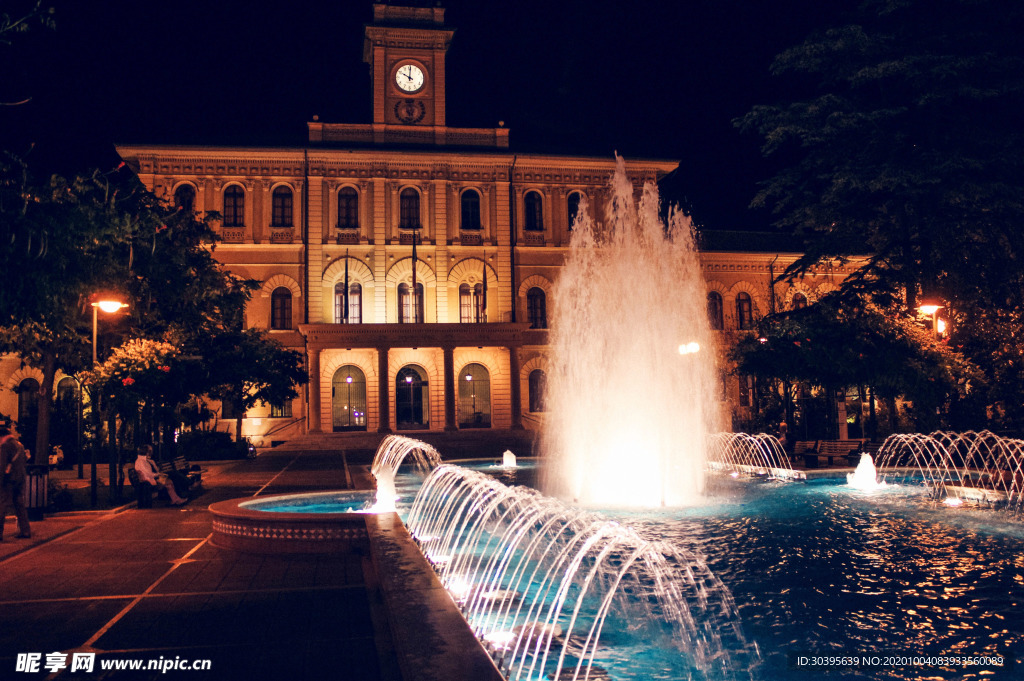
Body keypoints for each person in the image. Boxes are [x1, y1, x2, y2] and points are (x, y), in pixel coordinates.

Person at [0, 425, 32, 540]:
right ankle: (25, 531)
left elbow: (2, 465)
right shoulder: (20, 445)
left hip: (9, 480)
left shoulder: (5, 446)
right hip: (20, 479)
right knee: (19, 505)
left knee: (2, 505)